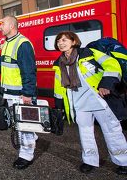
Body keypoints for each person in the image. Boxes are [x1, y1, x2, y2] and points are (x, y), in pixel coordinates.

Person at [53, 31, 127, 175]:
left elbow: (112, 64)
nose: (60, 43)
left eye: (64, 40)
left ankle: (123, 161)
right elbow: (58, 86)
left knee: (112, 131)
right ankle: (89, 161)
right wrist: (59, 106)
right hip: (79, 104)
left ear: (74, 41)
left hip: (99, 100)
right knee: (85, 134)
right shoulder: (59, 63)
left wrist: (106, 83)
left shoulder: (89, 53)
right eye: (58, 41)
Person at [0, 15, 37, 170]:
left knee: (24, 125)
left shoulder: (23, 44)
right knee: (20, 123)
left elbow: (29, 72)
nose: (0, 27)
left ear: (12, 25)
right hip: (11, 93)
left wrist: (27, 94)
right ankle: (30, 141)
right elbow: (1, 64)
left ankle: (26, 155)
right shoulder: (7, 43)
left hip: (20, 94)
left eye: (2, 24)